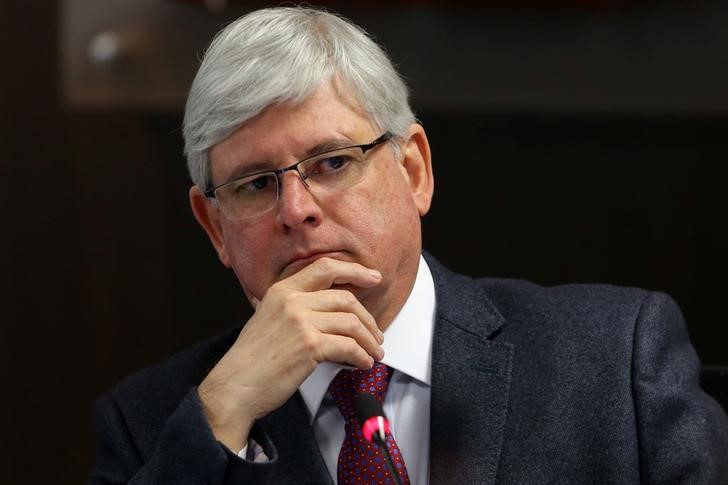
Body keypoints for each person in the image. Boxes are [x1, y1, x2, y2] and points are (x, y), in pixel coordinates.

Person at [91, 6, 728, 484]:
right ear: (214, 227)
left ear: (414, 170)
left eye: (333, 163)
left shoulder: (614, 358)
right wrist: (221, 414)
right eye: (256, 184)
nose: (298, 210)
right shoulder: (150, 423)